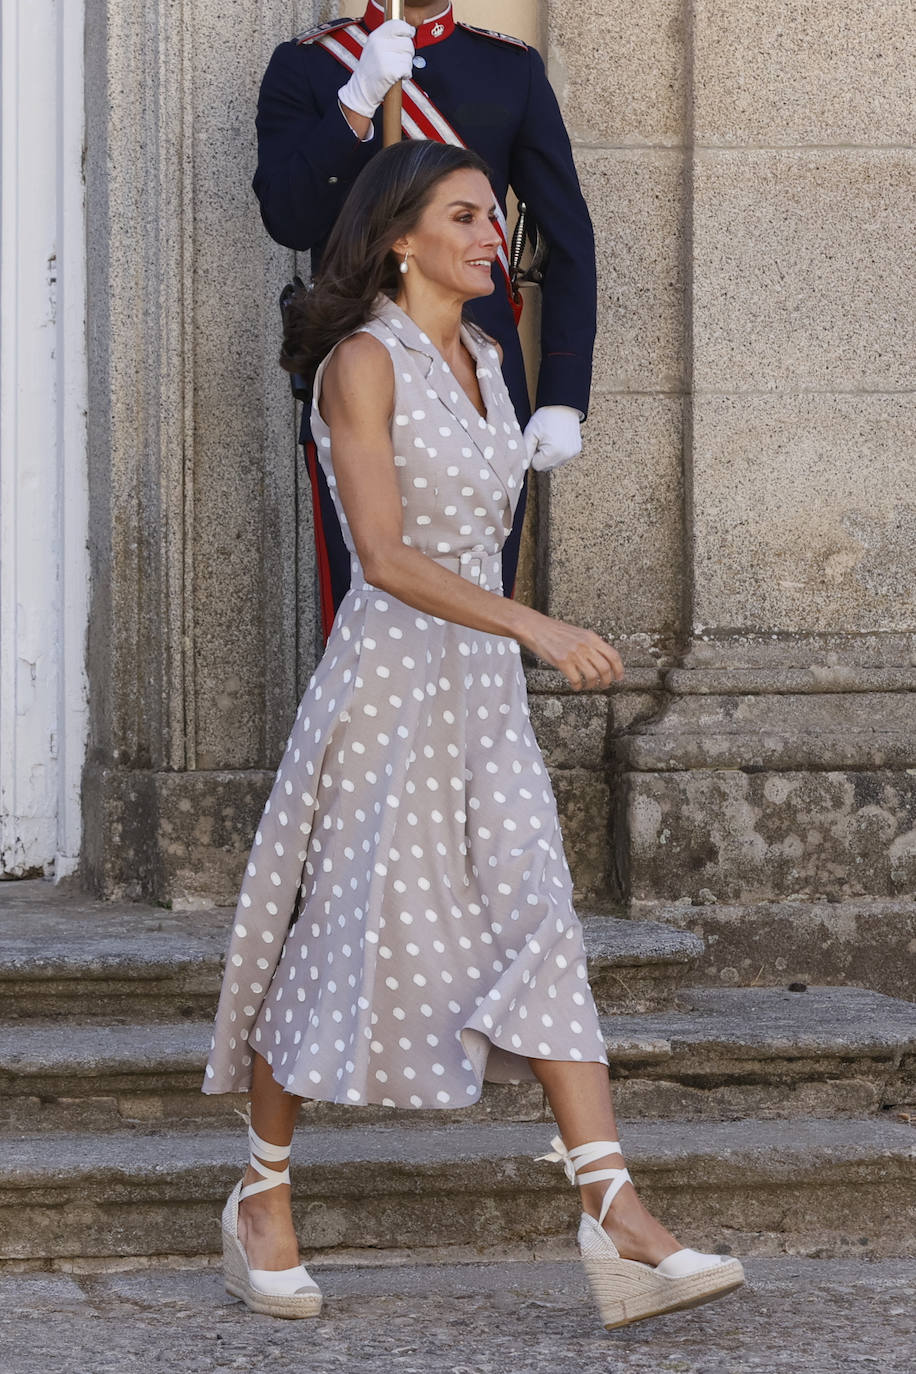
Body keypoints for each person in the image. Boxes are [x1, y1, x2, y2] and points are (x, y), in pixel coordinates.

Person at [204, 138, 744, 1330]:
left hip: (478, 693)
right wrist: (537, 625)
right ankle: (261, 1194)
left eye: (495, 217)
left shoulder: (493, 360)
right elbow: (384, 559)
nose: (490, 234)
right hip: (389, 685)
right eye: (463, 216)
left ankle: (614, 1213)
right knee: (344, 934)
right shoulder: (360, 361)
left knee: (539, 921)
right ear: (401, 237)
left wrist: (509, 640)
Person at [253, 0, 598, 636]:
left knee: (480, 605)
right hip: (365, 368)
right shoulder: (308, 67)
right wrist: (355, 101)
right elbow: (289, 218)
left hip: (478, 371)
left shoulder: (509, 69)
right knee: (366, 604)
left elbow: (567, 235)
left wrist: (563, 392)